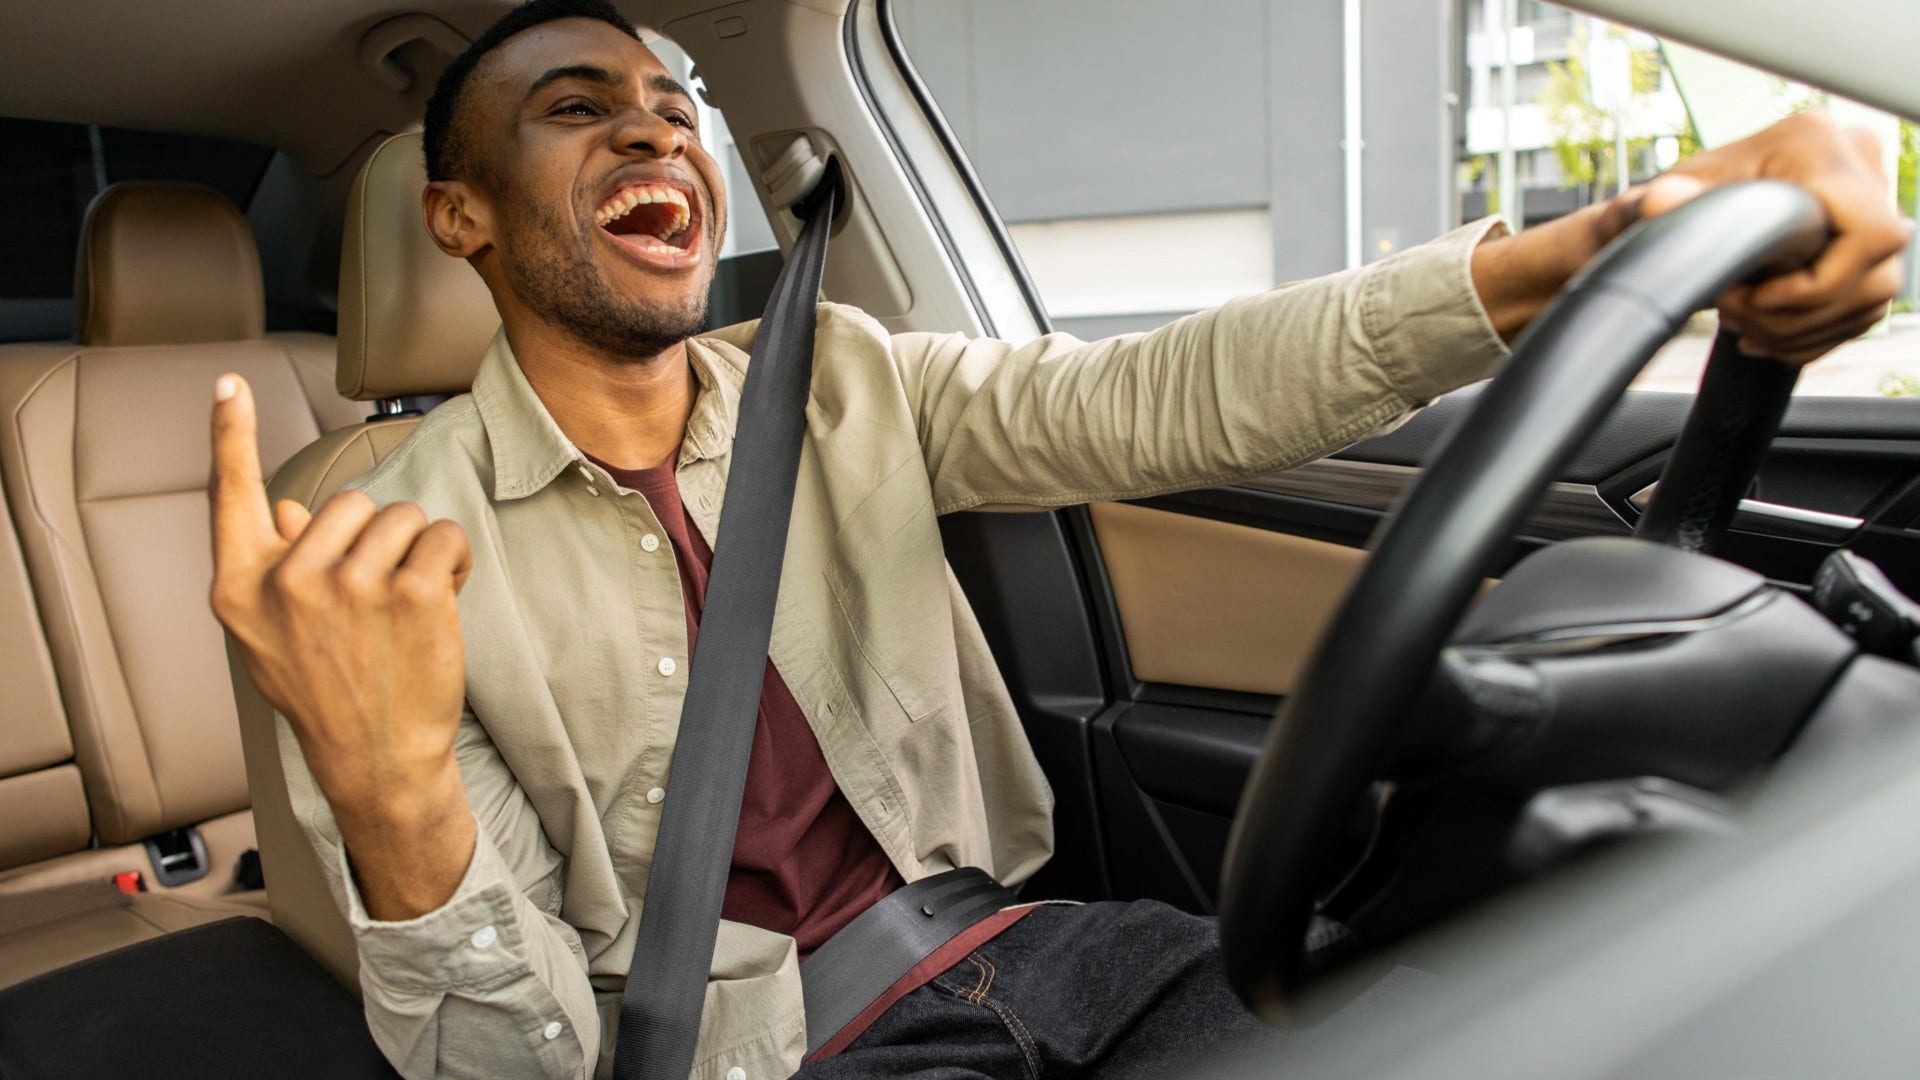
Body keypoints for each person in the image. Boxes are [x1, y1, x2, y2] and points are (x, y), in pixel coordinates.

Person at [207, 1, 1911, 1077]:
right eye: (578, 110)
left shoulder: (848, 379)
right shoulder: (353, 539)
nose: (656, 127)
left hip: (1042, 948)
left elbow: (1167, 394)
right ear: (460, 217)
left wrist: (1574, 255)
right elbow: (516, 1067)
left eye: (670, 104)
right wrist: (393, 799)